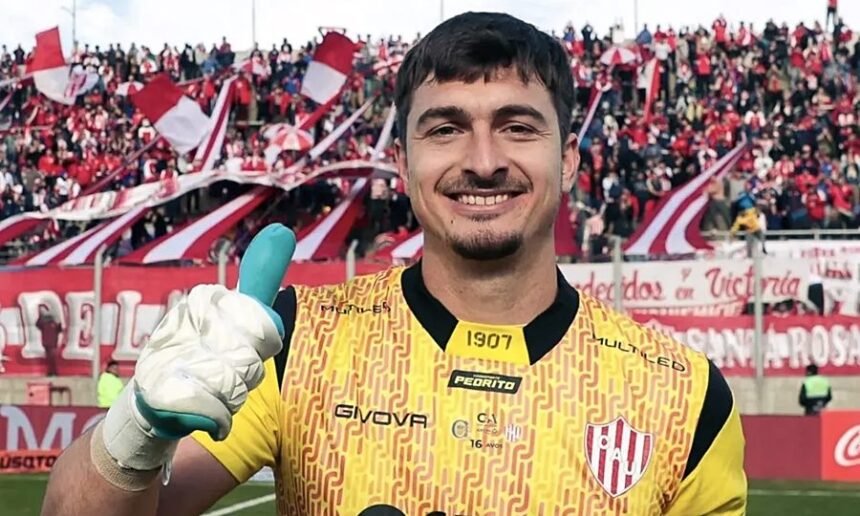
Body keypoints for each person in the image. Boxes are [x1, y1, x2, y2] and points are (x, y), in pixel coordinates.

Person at [42, 13, 746, 515]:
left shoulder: (687, 398)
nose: (483, 161)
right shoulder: (296, 341)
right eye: (446, 129)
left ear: (568, 158)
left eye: (517, 126)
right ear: (403, 164)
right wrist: (136, 428)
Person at [35, 306, 62, 377]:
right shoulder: (43, 322)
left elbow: (59, 329)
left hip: (52, 343)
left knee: (52, 358)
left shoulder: (53, 323)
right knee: (49, 359)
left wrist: (59, 323)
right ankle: (51, 372)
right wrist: (40, 316)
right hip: (46, 343)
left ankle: (55, 372)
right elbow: (37, 325)